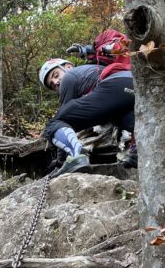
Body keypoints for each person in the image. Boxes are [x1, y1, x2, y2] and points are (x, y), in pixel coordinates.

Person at [39, 29, 135, 170]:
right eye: (52, 85)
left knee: (54, 124)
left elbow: (64, 119)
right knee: (123, 124)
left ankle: (76, 155)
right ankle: (136, 156)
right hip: (133, 86)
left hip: (116, 85)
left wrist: (60, 162)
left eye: (55, 75)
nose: (56, 82)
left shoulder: (70, 77)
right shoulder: (96, 71)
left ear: (68, 67)